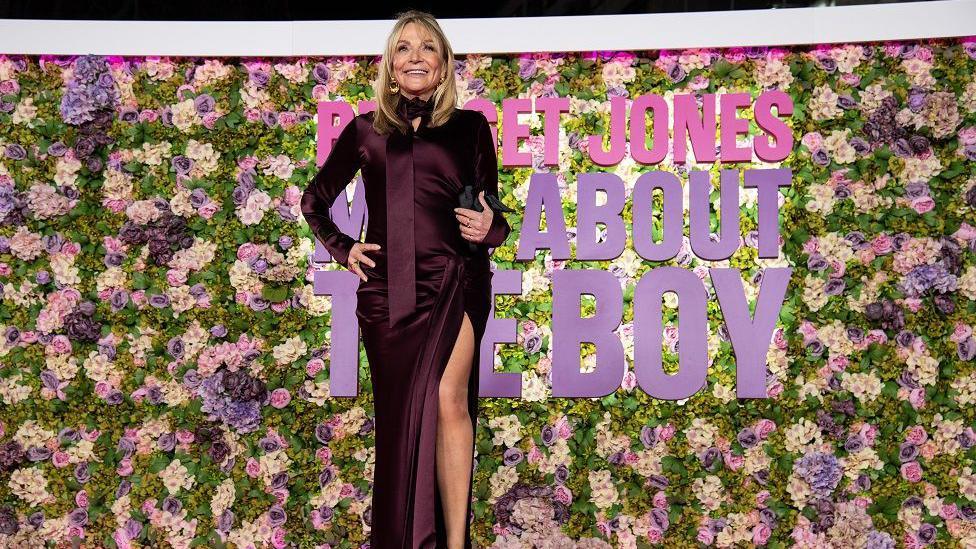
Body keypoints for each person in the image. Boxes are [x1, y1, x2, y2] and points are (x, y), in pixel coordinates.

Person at [300, 9, 512, 549]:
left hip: (454, 280)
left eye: (427, 47)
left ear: (442, 67)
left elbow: (493, 213)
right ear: (391, 68)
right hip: (386, 297)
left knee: (448, 400)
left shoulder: (469, 128)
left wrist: (490, 225)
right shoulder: (365, 130)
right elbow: (315, 200)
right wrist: (345, 249)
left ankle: (456, 542)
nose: (415, 56)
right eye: (403, 48)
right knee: (400, 421)